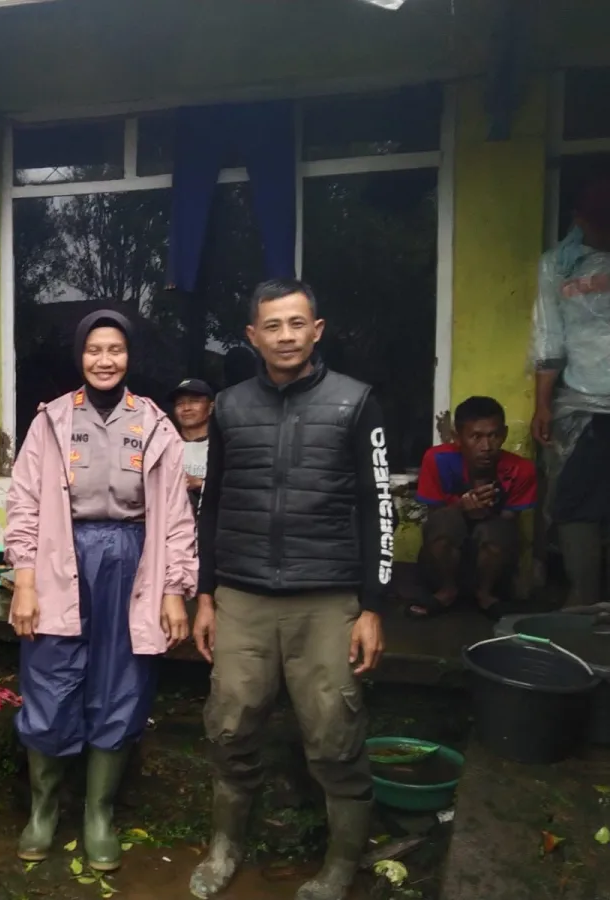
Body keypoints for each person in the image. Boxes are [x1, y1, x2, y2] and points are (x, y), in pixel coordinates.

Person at [190, 279, 389, 900]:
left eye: (297, 324)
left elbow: (379, 506)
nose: (286, 336)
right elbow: (212, 505)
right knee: (229, 727)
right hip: (242, 598)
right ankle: (225, 848)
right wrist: (204, 594)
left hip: (327, 599)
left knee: (333, 735)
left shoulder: (356, 403)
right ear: (252, 336)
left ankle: (339, 865)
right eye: (272, 326)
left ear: (317, 329)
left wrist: (373, 607)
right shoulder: (228, 406)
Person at [5, 309, 196, 874]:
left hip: (132, 561)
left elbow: (177, 516)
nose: (104, 360)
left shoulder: (155, 424)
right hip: (59, 557)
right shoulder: (53, 420)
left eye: (115, 349)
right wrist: (24, 579)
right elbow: (24, 502)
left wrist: (172, 588)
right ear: (80, 357)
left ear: (129, 356)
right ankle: (42, 810)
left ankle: (98, 815)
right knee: (49, 676)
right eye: (94, 350)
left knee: (121, 681)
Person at [531, 171, 610, 607]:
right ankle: (584, 600)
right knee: (578, 502)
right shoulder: (559, 265)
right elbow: (549, 337)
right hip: (583, 404)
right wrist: (543, 404)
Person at [409, 396, 536, 619]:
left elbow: (510, 524)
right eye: (476, 437)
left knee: (497, 531)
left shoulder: (520, 470)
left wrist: (486, 511)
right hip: (442, 561)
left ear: (504, 434)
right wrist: (461, 507)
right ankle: (446, 590)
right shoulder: (437, 459)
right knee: (444, 524)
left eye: (494, 436)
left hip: (490, 562)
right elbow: (433, 519)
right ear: (457, 437)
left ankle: (485, 594)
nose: (486, 447)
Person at [169, 377, 215, 516]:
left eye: (194, 401)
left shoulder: (223, 448)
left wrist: (200, 484)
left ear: (211, 407)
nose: (186, 408)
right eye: (180, 403)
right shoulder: (164, 446)